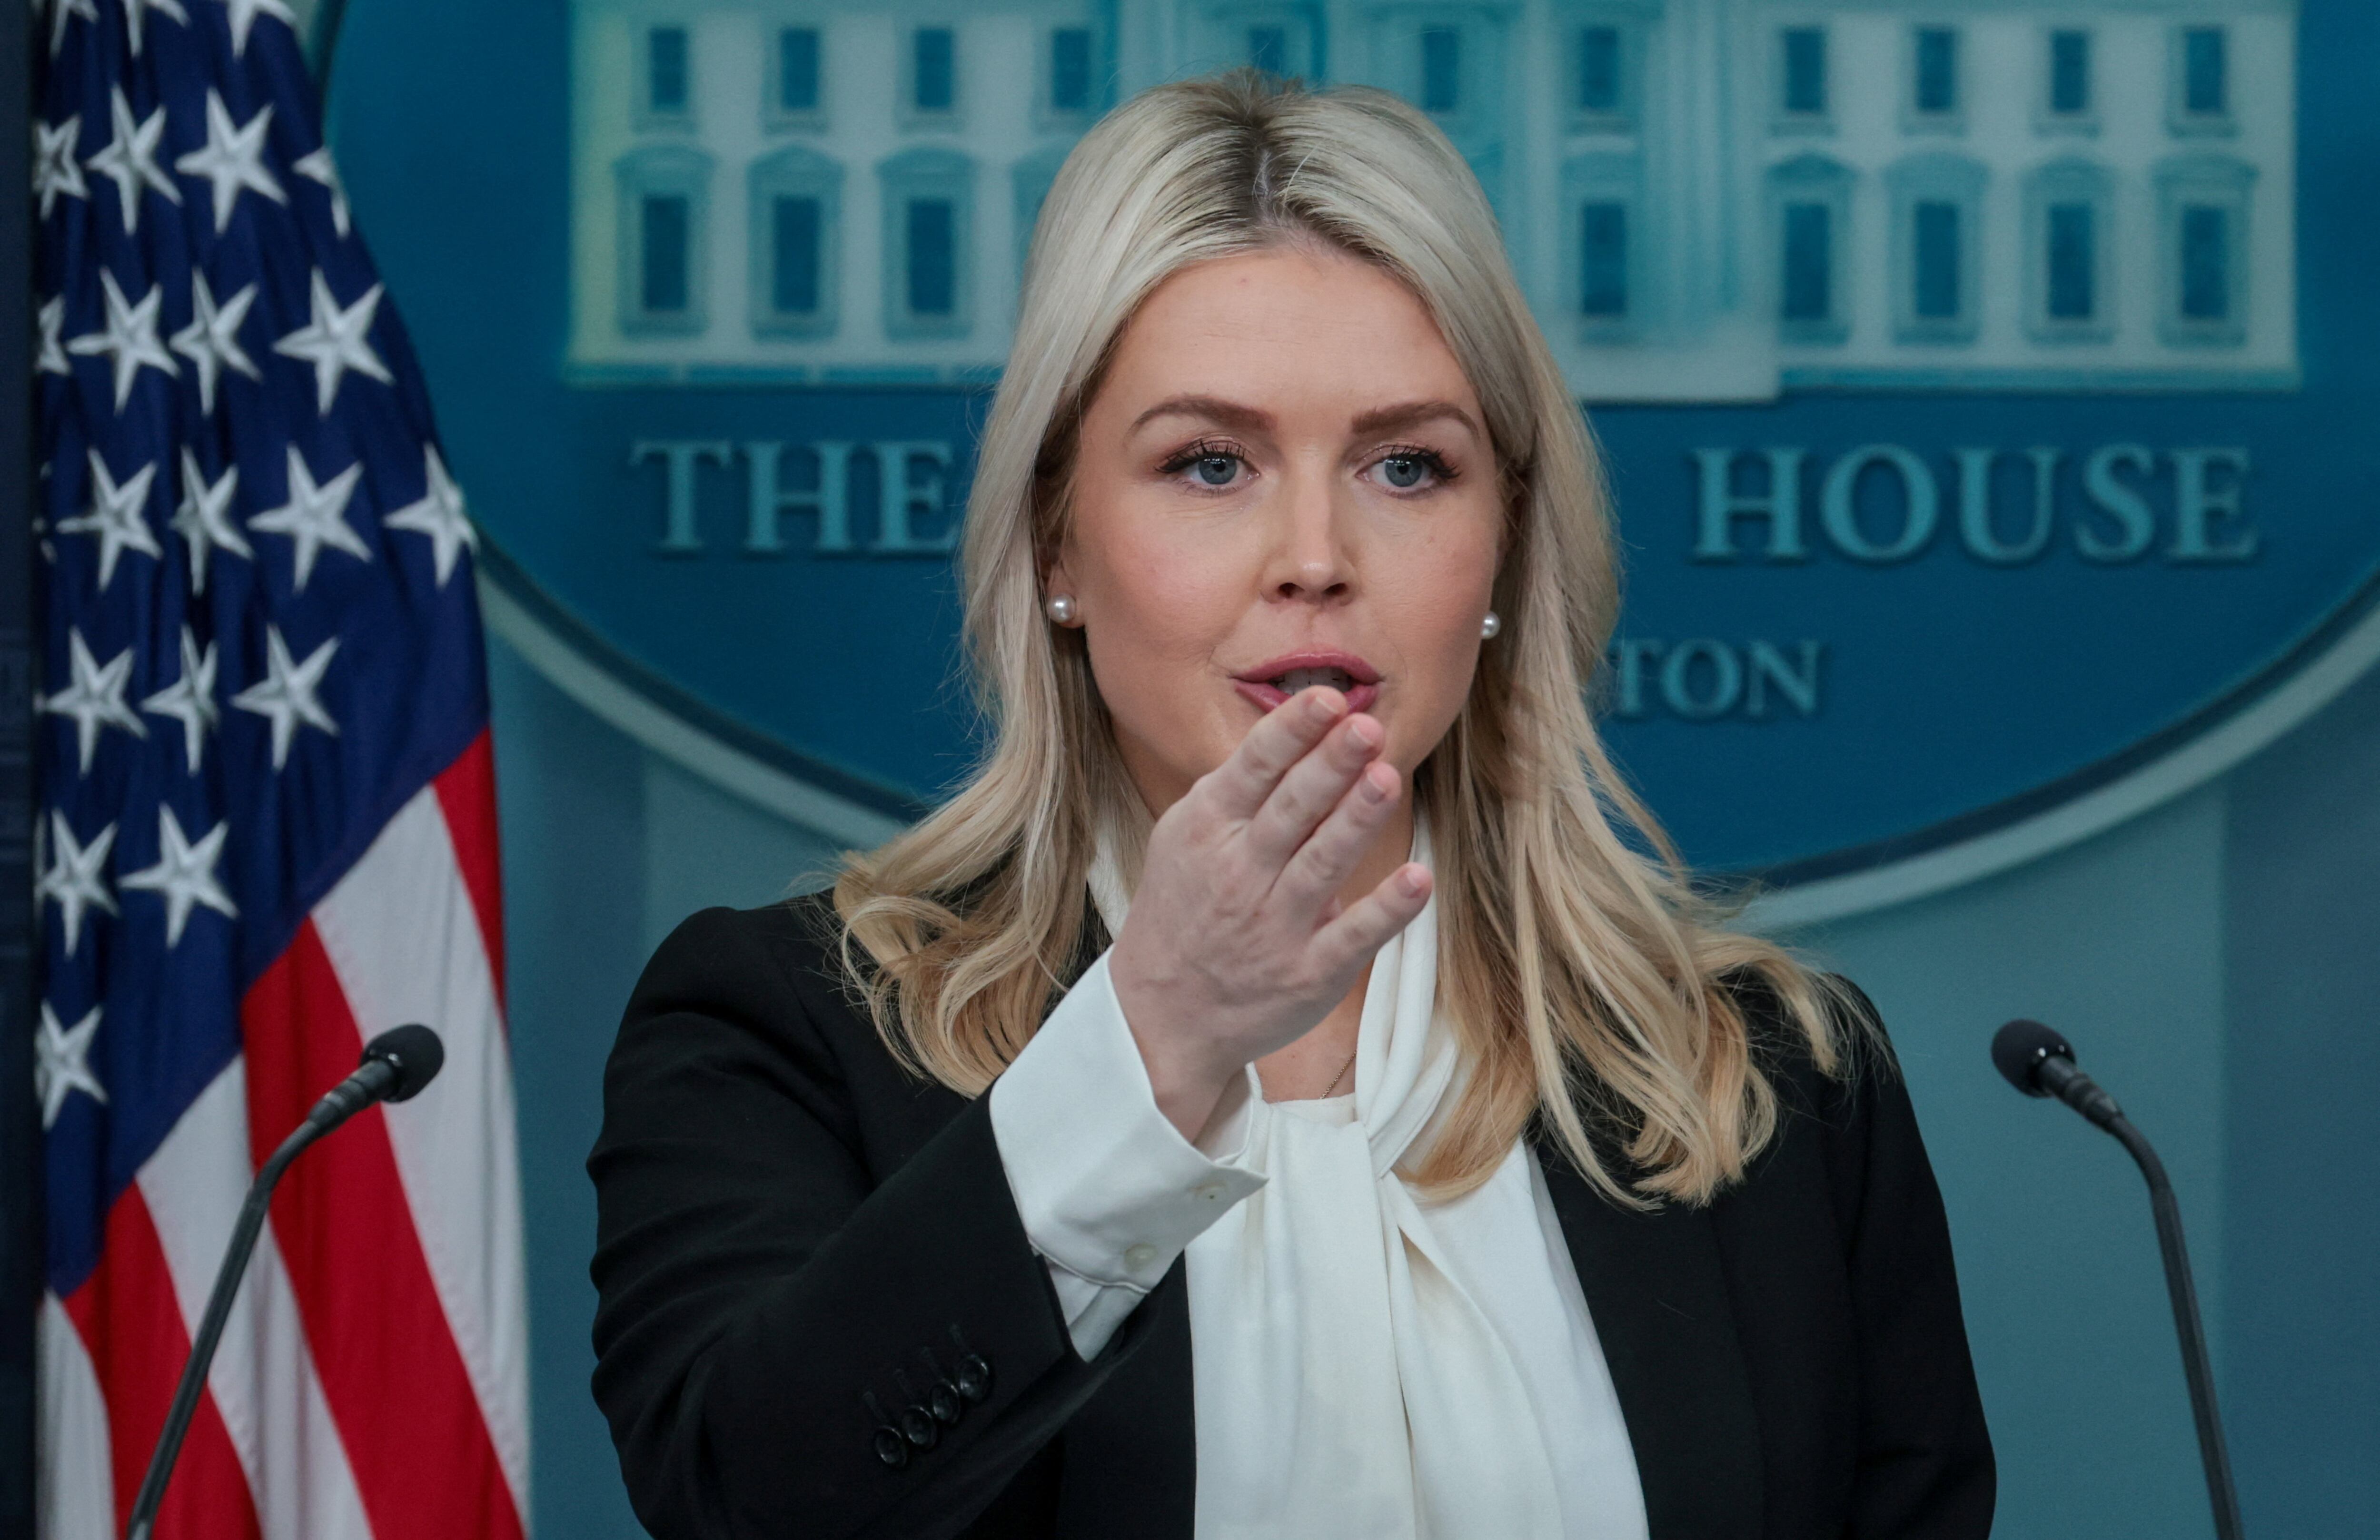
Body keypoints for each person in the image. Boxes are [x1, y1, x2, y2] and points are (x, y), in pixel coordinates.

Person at [588, 70, 1993, 1540]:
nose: (1315, 554)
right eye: (1209, 462)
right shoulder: (788, 1030)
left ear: (1506, 548)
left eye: (1406, 466)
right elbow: (747, 1503)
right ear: (1056, 539)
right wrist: (1157, 1047)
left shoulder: (1765, 1077)